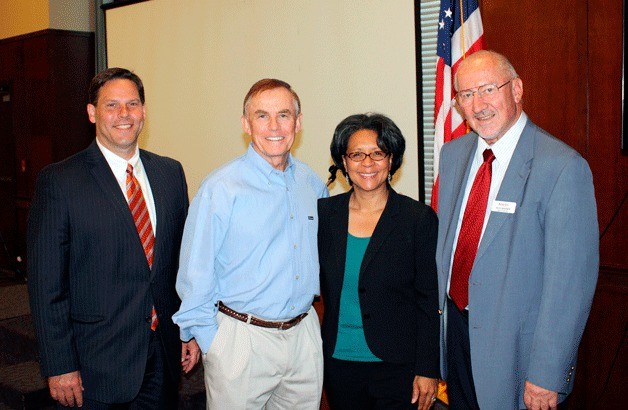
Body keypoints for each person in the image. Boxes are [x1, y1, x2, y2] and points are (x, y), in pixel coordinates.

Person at [27, 67, 200, 409]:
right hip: (96, 365)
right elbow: (47, 285)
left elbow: (182, 264)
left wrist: (188, 329)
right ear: (92, 113)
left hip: (163, 355)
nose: (124, 114)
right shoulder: (60, 182)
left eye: (132, 104)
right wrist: (60, 365)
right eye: (112, 105)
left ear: (144, 111)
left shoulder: (170, 173)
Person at [436, 50, 599, 410]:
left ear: (517, 89)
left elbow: (569, 287)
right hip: (457, 339)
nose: (478, 105)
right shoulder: (453, 155)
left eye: (489, 89)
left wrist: (547, 372)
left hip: (518, 355)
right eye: (466, 95)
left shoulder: (561, 168)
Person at [173, 78, 328, 409]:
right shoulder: (221, 188)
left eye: (284, 115)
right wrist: (211, 340)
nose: (274, 126)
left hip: (303, 337)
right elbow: (195, 272)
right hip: (241, 341)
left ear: (298, 123)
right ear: (246, 124)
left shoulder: (311, 184)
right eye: (262, 116)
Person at [318, 113, 440, 410]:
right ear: (344, 162)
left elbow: (428, 300)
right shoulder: (324, 214)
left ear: (391, 160)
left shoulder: (417, 219)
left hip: (398, 366)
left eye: (378, 153)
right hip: (339, 362)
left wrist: (428, 368)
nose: (368, 163)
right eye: (357, 154)